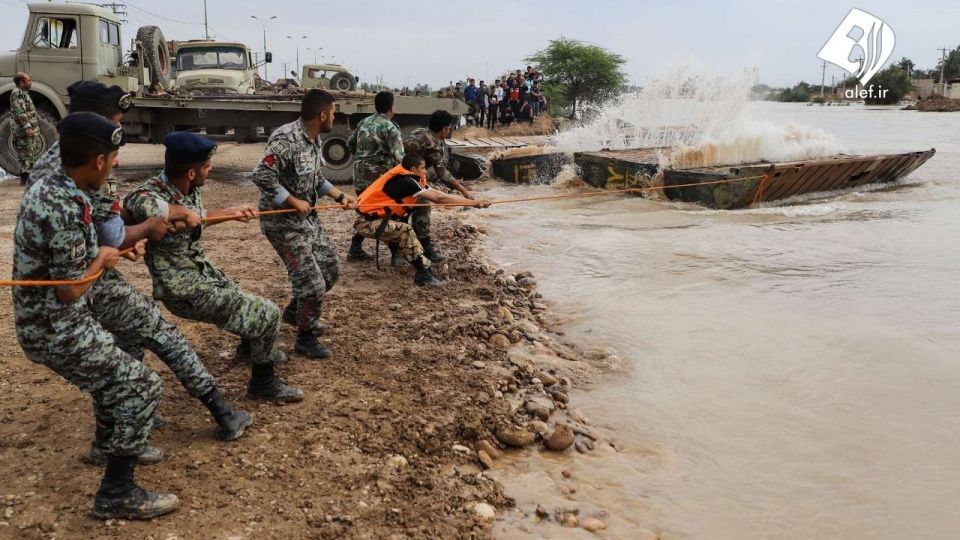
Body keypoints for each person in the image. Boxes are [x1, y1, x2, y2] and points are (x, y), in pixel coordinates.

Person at [27, 81, 251, 460]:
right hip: (82, 284)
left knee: (127, 342)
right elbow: (103, 236)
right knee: (160, 333)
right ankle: (222, 413)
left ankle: (117, 427)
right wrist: (142, 231)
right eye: (115, 121)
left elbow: (99, 231)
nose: (118, 136)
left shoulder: (55, 164)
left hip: (85, 274)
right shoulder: (72, 175)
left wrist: (120, 242)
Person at [13, 112, 179, 519]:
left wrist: (107, 253)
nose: (116, 164)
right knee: (143, 386)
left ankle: (107, 444)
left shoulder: (53, 186)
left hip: (54, 320)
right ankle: (117, 492)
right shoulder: (66, 204)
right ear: (99, 161)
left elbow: (65, 260)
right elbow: (70, 290)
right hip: (55, 326)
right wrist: (101, 262)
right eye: (114, 156)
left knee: (113, 380)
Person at [124, 132, 304, 404]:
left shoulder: (191, 188)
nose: (211, 170)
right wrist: (179, 212)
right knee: (268, 313)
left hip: (201, 272)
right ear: (191, 172)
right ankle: (263, 383)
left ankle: (250, 346)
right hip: (183, 289)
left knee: (239, 294)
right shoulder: (149, 194)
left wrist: (231, 212)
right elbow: (133, 202)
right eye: (207, 166)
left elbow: (200, 218)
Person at [251, 89, 355, 359]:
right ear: (322, 115)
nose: (334, 116)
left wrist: (341, 196)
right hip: (282, 224)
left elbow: (317, 180)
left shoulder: (314, 139)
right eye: (333, 112)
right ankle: (305, 338)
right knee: (312, 284)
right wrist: (291, 200)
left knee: (331, 269)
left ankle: (297, 313)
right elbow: (261, 174)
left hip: (307, 220)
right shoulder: (286, 139)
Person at [353, 152, 490, 286]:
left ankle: (413, 264)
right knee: (405, 230)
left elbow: (437, 193)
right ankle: (422, 273)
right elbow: (438, 199)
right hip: (366, 223)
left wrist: (470, 199)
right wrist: (474, 204)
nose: (425, 172)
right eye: (423, 168)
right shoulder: (406, 181)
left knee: (402, 230)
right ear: (413, 169)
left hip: (379, 220)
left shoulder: (411, 178)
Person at [403, 110, 475, 262]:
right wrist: (463, 191)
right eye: (450, 128)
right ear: (444, 129)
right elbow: (442, 173)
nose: (450, 131)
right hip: (407, 178)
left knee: (399, 213)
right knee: (423, 207)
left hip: (400, 174)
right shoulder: (433, 143)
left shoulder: (420, 131)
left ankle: (357, 246)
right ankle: (426, 248)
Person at [346, 91, 404, 261]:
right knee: (387, 214)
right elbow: (400, 158)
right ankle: (396, 253)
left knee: (366, 213)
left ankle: (355, 248)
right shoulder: (390, 127)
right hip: (378, 181)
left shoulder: (363, 123)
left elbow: (350, 145)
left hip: (359, 178)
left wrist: (363, 160)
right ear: (391, 107)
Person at [10, 72, 44, 186]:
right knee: (26, 153)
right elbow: (20, 112)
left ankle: (29, 177)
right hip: (23, 130)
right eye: (28, 80)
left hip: (28, 129)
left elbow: (29, 110)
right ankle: (25, 179)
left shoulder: (24, 93)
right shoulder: (17, 93)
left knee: (30, 152)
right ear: (21, 82)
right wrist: (28, 127)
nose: (31, 82)